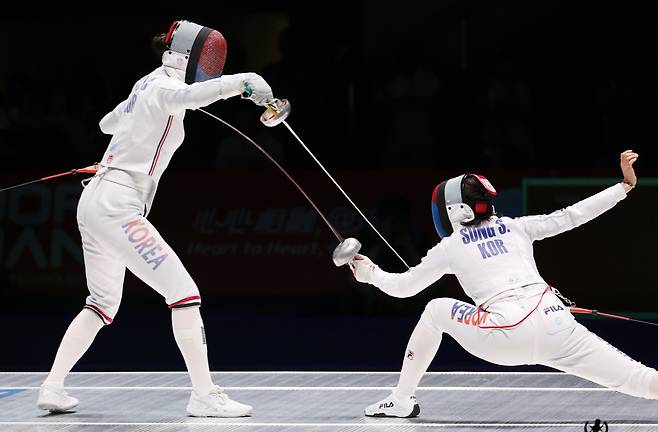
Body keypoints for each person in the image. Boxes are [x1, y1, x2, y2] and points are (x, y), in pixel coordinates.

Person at [36, 20, 275, 417]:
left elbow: (106, 123)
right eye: (208, 57)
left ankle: (52, 387)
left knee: (101, 303)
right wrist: (244, 81)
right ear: (185, 56)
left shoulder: (146, 85)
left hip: (96, 199)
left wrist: (125, 143)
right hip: (117, 205)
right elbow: (198, 96)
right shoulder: (166, 89)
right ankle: (203, 395)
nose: (211, 64)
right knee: (184, 293)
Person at [351, 150, 658, 418]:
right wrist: (624, 186)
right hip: (558, 325)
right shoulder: (515, 227)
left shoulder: (451, 246)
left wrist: (371, 274)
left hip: (505, 334)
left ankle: (402, 400)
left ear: (455, 210)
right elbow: (571, 216)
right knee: (639, 379)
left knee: (435, 310)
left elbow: (403, 288)